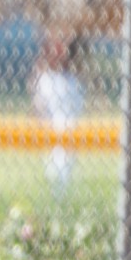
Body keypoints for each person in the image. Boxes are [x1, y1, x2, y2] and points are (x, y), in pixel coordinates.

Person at [30, 35, 85, 195]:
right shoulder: (46, 80)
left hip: (70, 129)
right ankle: (55, 199)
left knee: (65, 169)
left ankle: (61, 199)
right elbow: (38, 107)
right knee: (54, 171)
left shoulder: (73, 80)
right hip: (51, 130)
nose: (59, 55)